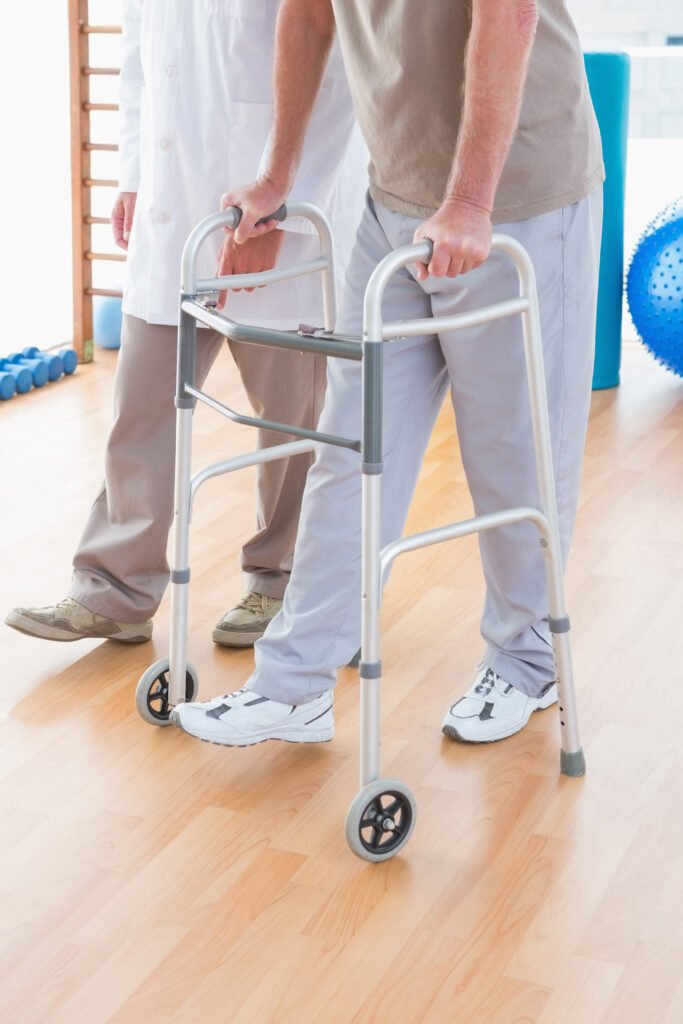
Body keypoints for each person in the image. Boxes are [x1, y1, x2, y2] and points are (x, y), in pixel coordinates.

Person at [173, 0, 605, 749]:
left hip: (515, 203)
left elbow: (509, 14)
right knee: (349, 449)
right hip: (395, 199)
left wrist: (468, 201)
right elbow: (309, 15)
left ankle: (526, 662)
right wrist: (277, 175)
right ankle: (294, 683)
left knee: (514, 456)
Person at [6, 0, 365, 648]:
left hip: (271, 207)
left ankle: (282, 582)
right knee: (141, 408)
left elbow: (335, 63)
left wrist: (279, 203)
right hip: (174, 201)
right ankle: (113, 588)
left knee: (293, 420)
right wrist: (134, 171)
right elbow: (141, 44)